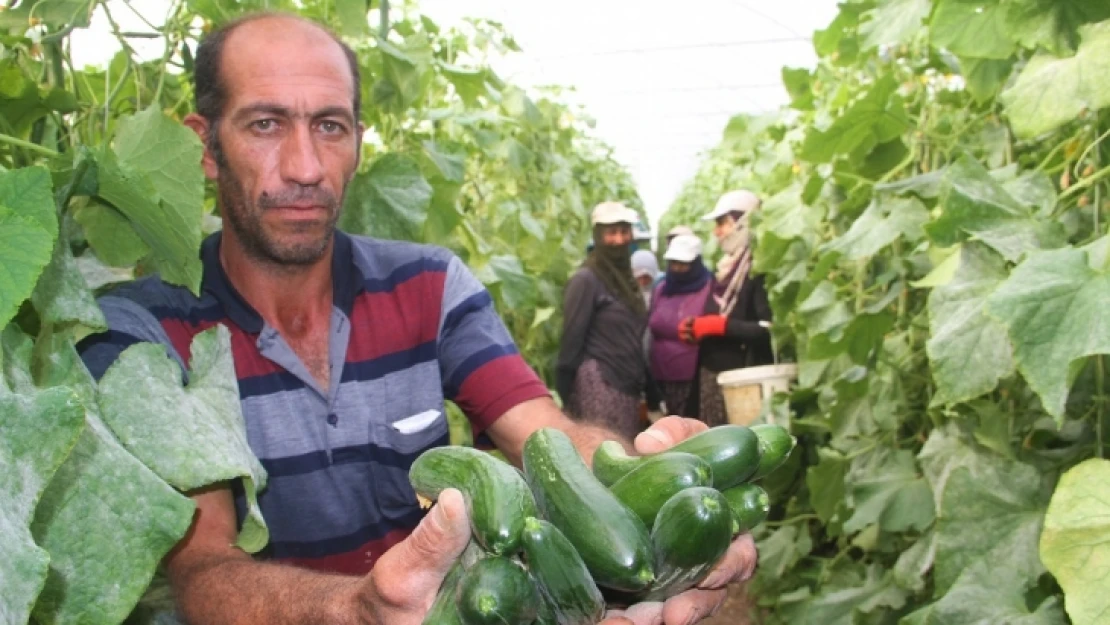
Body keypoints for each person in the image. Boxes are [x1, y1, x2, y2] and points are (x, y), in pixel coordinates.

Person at [74, 13, 756, 625]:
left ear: (360, 141)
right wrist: (353, 610)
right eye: (265, 124)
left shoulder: (428, 285)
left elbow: (542, 434)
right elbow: (201, 568)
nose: (306, 166)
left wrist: (636, 480)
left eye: (330, 125)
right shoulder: (145, 328)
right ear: (204, 143)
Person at [557, 201, 649, 442]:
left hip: (626, 387)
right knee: (605, 463)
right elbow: (571, 342)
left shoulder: (625, 281)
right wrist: (563, 398)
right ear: (598, 236)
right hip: (600, 387)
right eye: (611, 233)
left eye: (624, 231)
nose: (619, 239)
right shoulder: (586, 280)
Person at [679, 190, 773, 426]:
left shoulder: (757, 271)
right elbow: (718, 317)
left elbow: (769, 331)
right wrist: (696, 329)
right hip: (714, 377)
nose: (717, 232)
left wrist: (720, 326)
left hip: (742, 384)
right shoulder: (727, 270)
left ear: (742, 222)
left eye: (722, 223)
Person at [648, 235, 713, 417]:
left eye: (683, 264)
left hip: (691, 377)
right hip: (661, 374)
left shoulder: (708, 287)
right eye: (673, 263)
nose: (677, 269)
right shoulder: (662, 289)